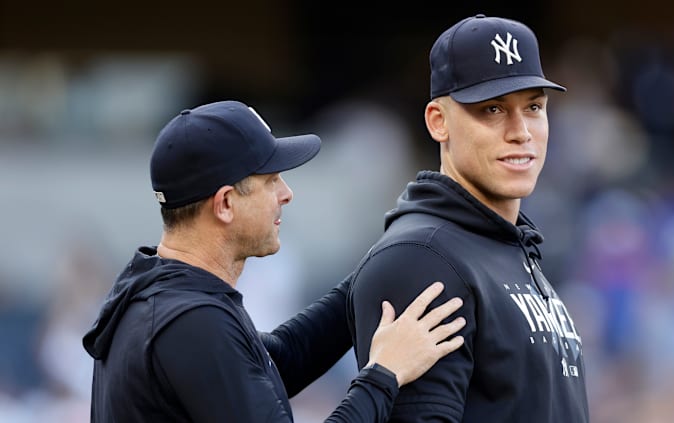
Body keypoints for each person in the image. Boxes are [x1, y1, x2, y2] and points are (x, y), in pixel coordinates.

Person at [81, 100, 466, 422]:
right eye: (271, 180)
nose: (286, 194)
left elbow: (271, 361)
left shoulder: (162, 295)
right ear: (226, 204)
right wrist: (385, 373)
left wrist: (388, 263)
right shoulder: (190, 321)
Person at [346, 14, 590, 422]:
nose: (521, 132)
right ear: (438, 121)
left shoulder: (506, 248)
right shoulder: (423, 260)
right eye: (493, 109)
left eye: (533, 107)